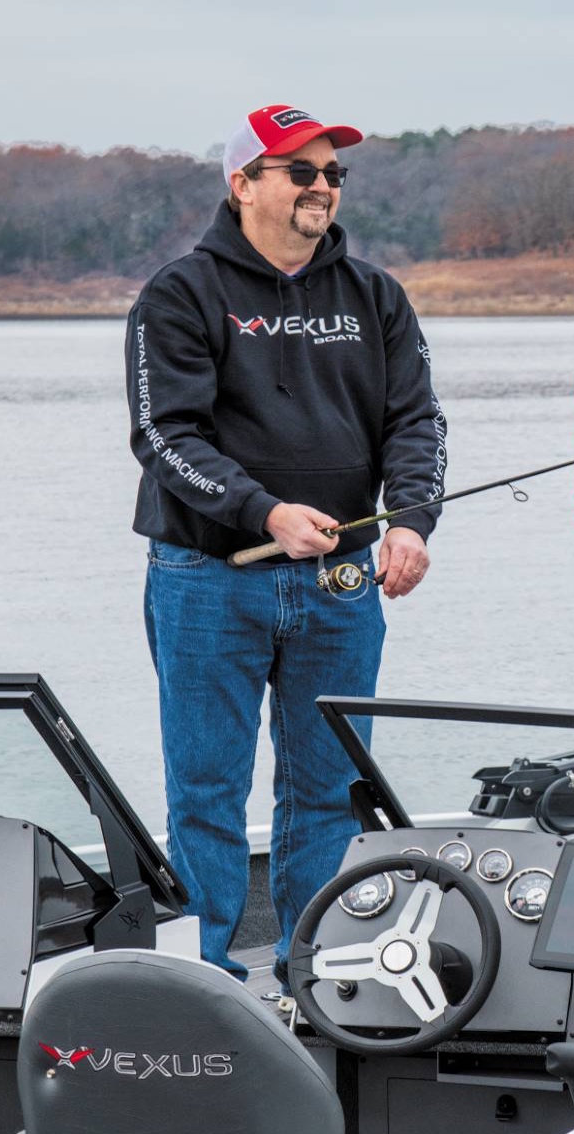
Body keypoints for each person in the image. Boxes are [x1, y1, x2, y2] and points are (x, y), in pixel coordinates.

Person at [126, 104, 446, 981]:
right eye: (300, 170)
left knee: (329, 788)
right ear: (243, 183)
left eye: (333, 173)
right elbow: (163, 436)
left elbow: (416, 420)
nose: (322, 186)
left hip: (342, 581)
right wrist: (264, 511)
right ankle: (203, 979)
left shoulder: (375, 295)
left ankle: (315, 974)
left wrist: (410, 520)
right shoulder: (179, 293)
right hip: (208, 577)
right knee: (206, 791)